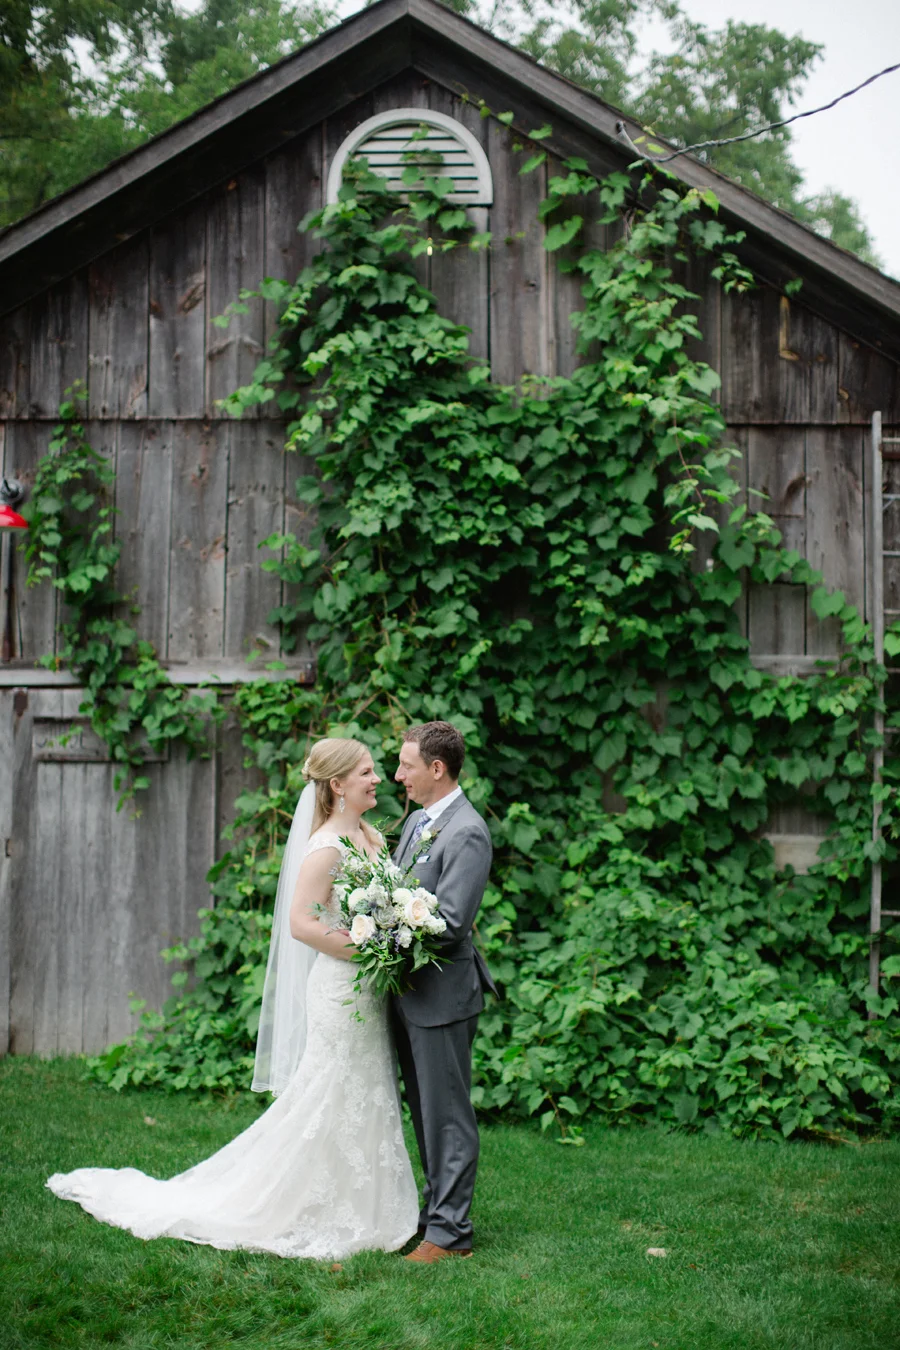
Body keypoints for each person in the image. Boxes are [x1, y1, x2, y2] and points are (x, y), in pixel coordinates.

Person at [46, 738, 419, 1260]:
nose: (377, 778)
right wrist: (367, 951)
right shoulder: (328, 847)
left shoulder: (369, 834)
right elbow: (301, 923)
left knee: (364, 1089)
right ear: (337, 785)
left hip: (367, 994)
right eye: (366, 771)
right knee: (330, 1092)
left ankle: (362, 1203)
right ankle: (296, 1204)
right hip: (341, 989)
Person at [392, 720, 496, 1263]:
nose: (397, 775)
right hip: (410, 993)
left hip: (442, 996)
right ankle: (435, 1215)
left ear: (436, 768)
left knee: (448, 1114)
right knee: (424, 1110)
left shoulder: (467, 831)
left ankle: (451, 1234)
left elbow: (452, 920)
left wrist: (387, 920)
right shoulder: (418, 822)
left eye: (406, 765)